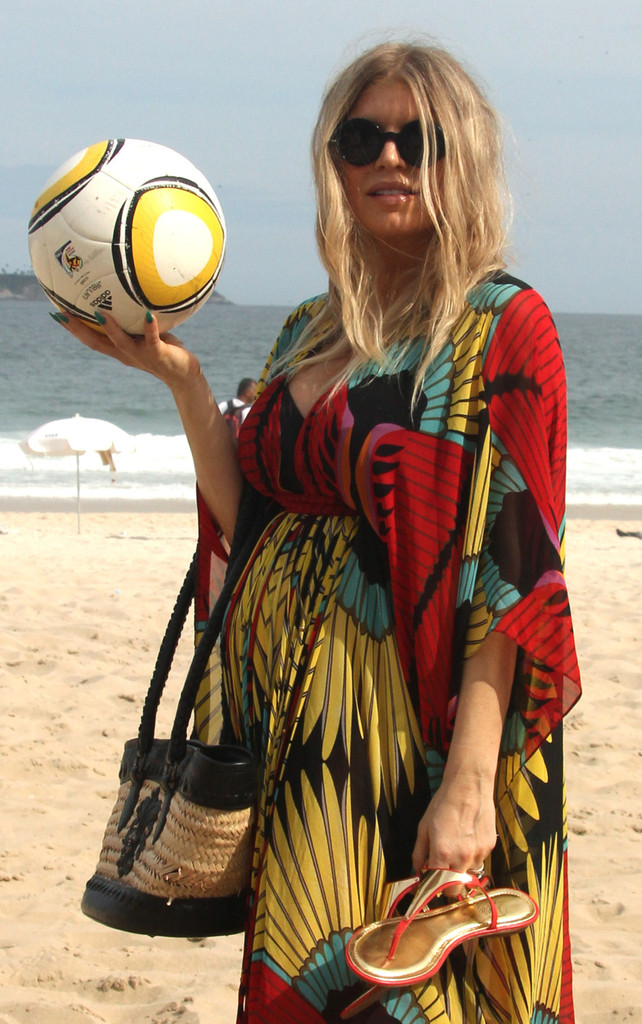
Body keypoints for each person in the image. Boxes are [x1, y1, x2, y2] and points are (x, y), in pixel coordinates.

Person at [56, 39, 581, 1024]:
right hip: (298, 735)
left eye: (419, 139)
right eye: (361, 137)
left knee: (414, 998)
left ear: (462, 155)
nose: (389, 157)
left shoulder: (503, 325)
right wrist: (183, 381)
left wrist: (470, 784)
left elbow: (516, 572)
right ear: (333, 160)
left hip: (414, 731)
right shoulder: (307, 324)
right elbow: (253, 521)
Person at [219, 377, 257, 441]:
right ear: (247, 392)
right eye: (255, 391)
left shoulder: (223, 405)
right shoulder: (248, 411)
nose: (256, 394)